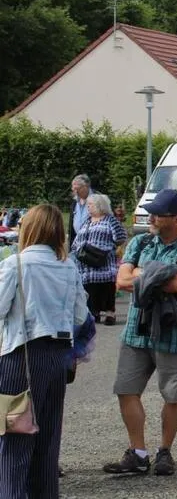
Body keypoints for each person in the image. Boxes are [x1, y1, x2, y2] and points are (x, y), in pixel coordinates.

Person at [105, 189, 177, 476]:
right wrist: (164, 272)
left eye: (157, 214)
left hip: (175, 333)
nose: (150, 218)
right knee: (125, 389)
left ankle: (165, 450)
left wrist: (142, 273)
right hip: (136, 329)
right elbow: (121, 280)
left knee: (173, 394)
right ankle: (138, 453)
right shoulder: (139, 242)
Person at [0, 205, 89, 497]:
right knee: (48, 440)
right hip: (58, 355)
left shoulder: (16, 264)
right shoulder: (68, 266)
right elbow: (80, 315)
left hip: (21, 355)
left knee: (15, 436)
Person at [70, 193, 127, 326]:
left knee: (106, 288)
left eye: (91, 205)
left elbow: (120, 237)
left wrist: (107, 247)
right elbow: (76, 241)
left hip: (104, 263)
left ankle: (110, 314)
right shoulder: (87, 222)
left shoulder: (110, 220)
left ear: (100, 206)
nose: (88, 208)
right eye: (88, 205)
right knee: (90, 289)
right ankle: (93, 313)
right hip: (86, 264)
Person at [69, 174, 94, 247]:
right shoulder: (74, 201)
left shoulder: (98, 199)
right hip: (77, 243)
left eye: (78, 189)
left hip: (93, 243)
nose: (75, 192)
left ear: (86, 186)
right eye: (73, 189)